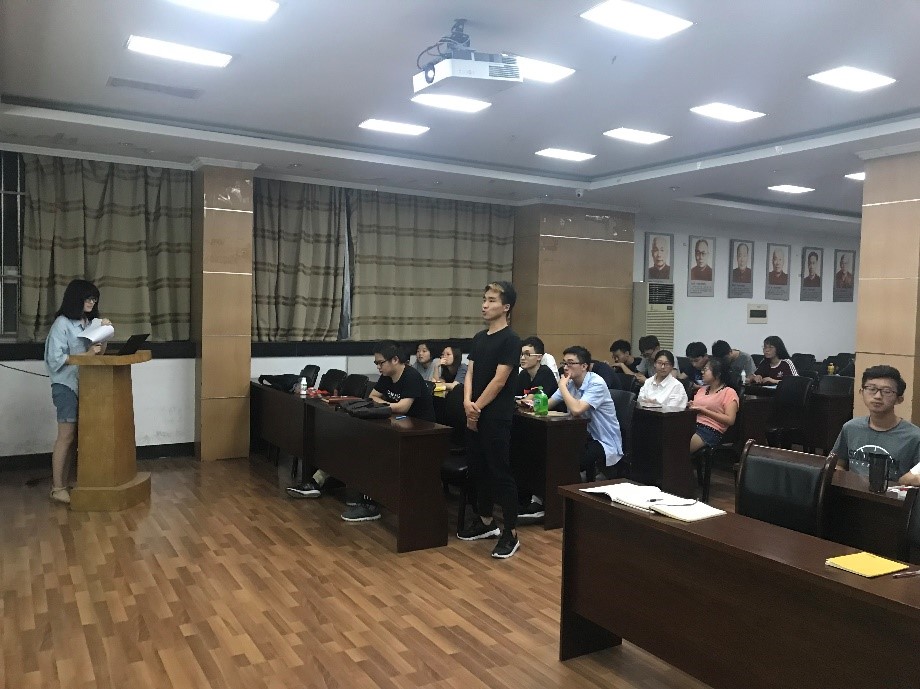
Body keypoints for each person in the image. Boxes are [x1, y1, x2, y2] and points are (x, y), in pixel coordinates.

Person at [457, 281, 522, 559]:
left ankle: (511, 533)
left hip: (495, 416)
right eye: (484, 299)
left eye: (491, 300)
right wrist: (467, 403)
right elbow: (470, 373)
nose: (485, 305)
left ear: (506, 307)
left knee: (499, 472)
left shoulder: (511, 339)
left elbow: (499, 380)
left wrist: (476, 408)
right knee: (478, 469)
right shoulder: (479, 337)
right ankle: (486, 522)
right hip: (474, 412)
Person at [44, 279, 111, 504]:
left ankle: (65, 483)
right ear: (76, 299)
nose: (92, 302)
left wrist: (104, 334)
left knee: (74, 438)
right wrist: (88, 354)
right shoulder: (61, 324)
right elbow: (56, 360)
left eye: (94, 299)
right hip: (65, 385)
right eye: (88, 298)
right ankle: (57, 487)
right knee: (66, 436)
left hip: (85, 385)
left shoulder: (88, 323)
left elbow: (97, 354)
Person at [831, 365, 920, 484]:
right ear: (861, 392)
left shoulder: (914, 436)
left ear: (899, 399)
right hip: (852, 492)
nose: (877, 396)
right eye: (871, 389)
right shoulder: (851, 428)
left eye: (887, 391)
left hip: (892, 494)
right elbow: (838, 464)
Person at [547, 346, 622, 481]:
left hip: (602, 439)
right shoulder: (569, 383)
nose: (565, 367)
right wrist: (530, 403)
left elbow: (577, 410)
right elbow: (548, 404)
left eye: (570, 363)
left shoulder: (596, 383)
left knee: (569, 462)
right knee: (551, 452)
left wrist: (562, 386)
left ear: (584, 366)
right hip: (580, 435)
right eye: (564, 363)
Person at [689, 358, 739, 453]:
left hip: (710, 429)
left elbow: (730, 420)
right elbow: (698, 407)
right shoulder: (702, 389)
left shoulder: (729, 392)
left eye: (706, 369)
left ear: (718, 374)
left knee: (680, 447)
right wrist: (691, 406)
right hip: (692, 424)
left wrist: (704, 411)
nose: (702, 372)